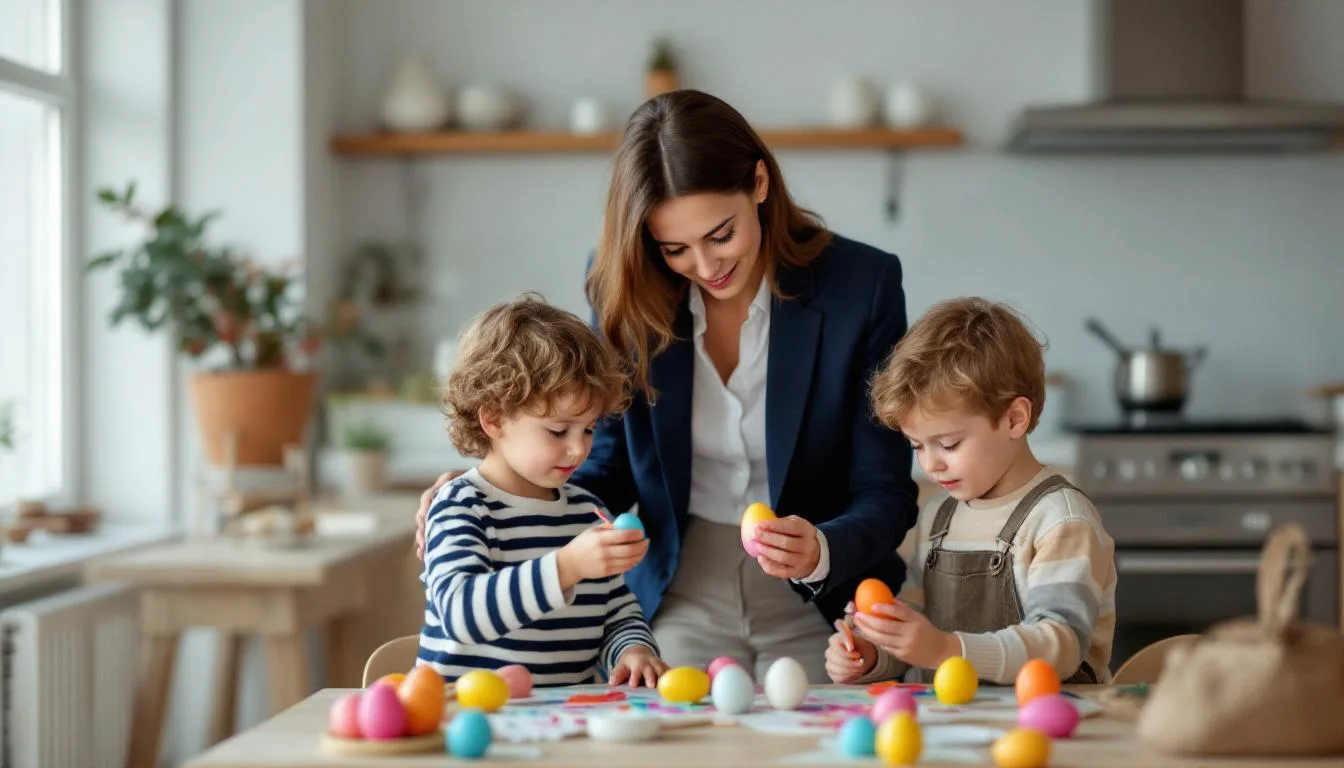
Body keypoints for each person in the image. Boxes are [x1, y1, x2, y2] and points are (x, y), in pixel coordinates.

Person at [419, 90, 919, 683]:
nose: (706, 268)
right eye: (675, 249)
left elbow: (885, 489)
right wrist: (498, 485)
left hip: (822, 596)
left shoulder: (861, 286)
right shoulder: (624, 288)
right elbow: (604, 464)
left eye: (721, 234)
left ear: (759, 184)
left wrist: (823, 549)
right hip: (678, 583)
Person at [825, 297, 1117, 686]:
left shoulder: (1060, 521)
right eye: (917, 446)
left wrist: (947, 650)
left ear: (1014, 419)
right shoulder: (938, 517)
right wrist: (875, 651)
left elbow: (1060, 645)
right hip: (954, 728)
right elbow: (919, 629)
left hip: (1046, 730)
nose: (930, 465)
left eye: (948, 444)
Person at [417, 295, 667, 687]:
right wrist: (567, 567)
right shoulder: (461, 506)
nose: (578, 448)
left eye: (588, 429)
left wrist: (633, 649)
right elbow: (461, 615)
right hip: (468, 726)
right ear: (494, 419)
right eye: (557, 430)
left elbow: (617, 612)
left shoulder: (589, 512)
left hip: (564, 727)